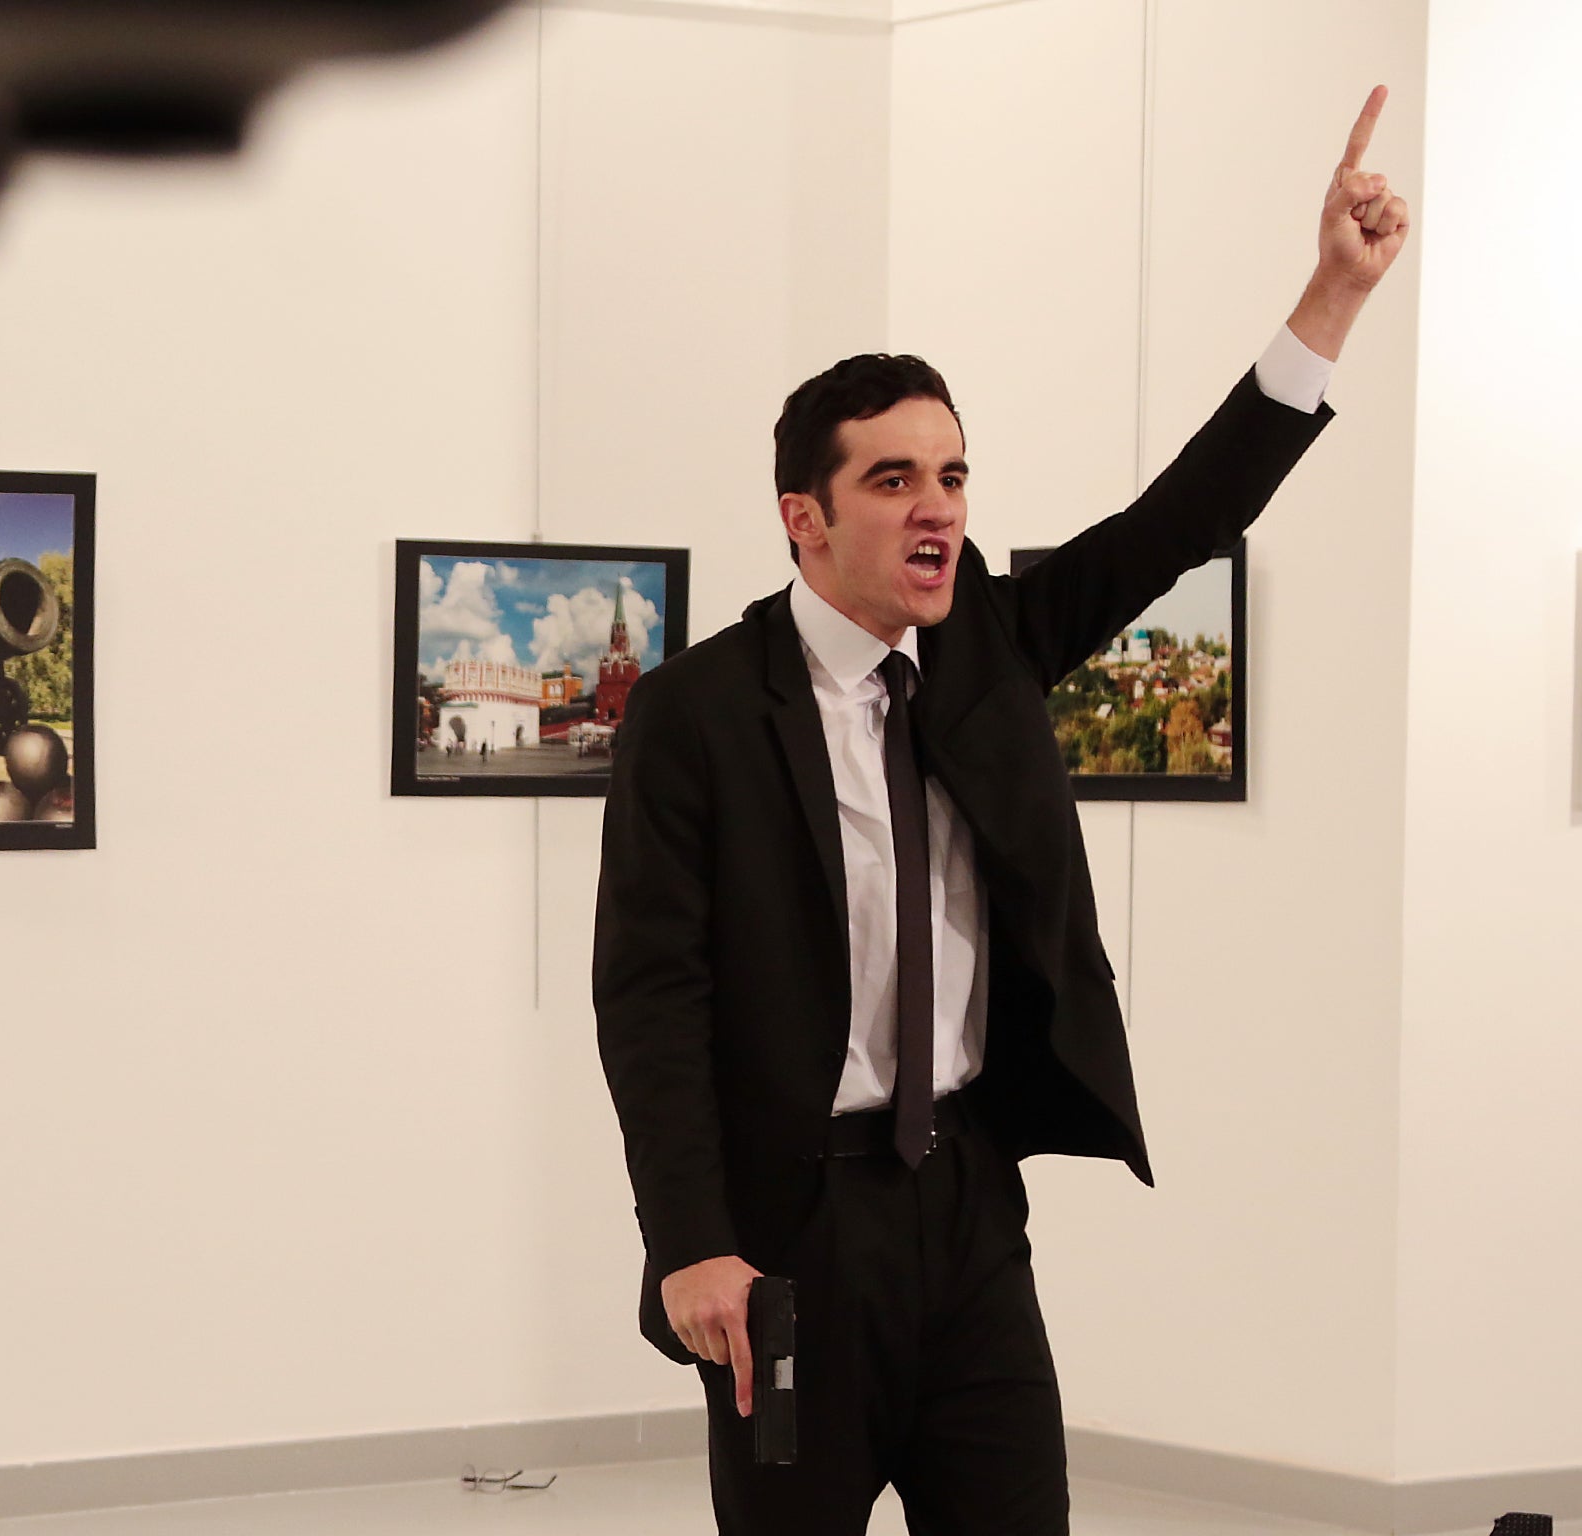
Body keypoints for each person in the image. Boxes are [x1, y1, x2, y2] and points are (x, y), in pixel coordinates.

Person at [593, 89, 1409, 1536]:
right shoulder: (702, 714)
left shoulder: (990, 649)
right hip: (794, 1238)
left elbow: (1180, 521)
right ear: (805, 514)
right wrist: (691, 1245)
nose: (937, 509)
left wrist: (1331, 296)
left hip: (968, 1211)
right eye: (893, 477)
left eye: (953, 475)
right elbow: (652, 998)